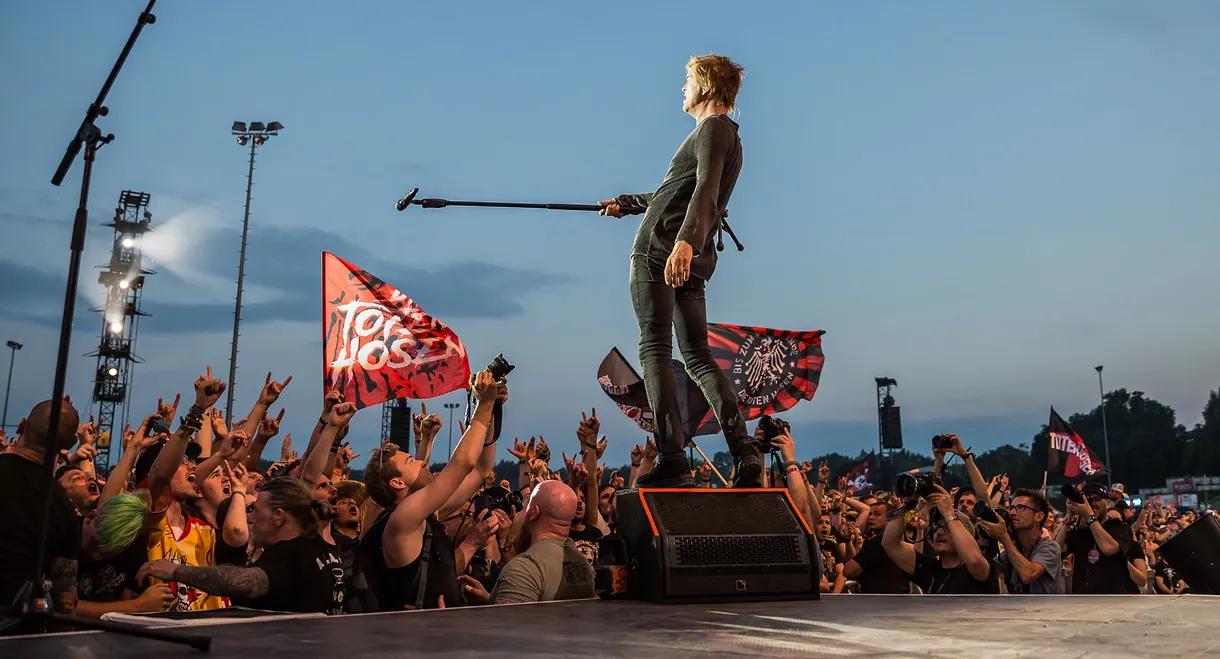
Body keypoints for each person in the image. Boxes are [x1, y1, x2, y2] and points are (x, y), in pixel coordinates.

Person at [598, 54, 757, 488]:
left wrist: (682, 243)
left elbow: (705, 188)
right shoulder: (727, 135)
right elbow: (679, 192)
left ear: (705, 85)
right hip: (690, 256)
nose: (682, 88)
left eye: (687, 79)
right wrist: (627, 202)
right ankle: (745, 452)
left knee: (654, 350)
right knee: (699, 357)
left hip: (662, 253)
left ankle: (672, 460)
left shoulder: (711, 128)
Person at [353, 371, 502, 611]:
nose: (422, 463)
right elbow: (463, 464)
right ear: (397, 483)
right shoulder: (402, 518)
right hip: (414, 640)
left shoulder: (423, 515)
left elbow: (481, 471)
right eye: (412, 461)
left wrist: (493, 411)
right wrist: (484, 403)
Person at [138, 477, 345, 615]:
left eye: (255, 510)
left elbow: (244, 582)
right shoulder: (318, 545)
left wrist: (176, 571)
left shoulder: (289, 555)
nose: (250, 517)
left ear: (279, 517)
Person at [0, 400, 83, 624]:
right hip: (15, 627)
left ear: (21, 426)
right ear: (73, 442)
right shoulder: (63, 505)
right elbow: (66, 601)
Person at [460, 480, 595, 605]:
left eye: (525, 505)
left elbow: (506, 627)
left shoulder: (524, 569)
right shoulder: (583, 563)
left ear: (534, 512)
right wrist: (490, 599)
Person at [882, 484, 998, 594]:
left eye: (947, 528)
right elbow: (890, 543)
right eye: (937, 527)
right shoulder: (928, 568)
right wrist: (908, 506)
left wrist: (949, 515)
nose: (940, 532)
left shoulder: (985, 566)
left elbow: (974, 561)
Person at [1055, 482, 1137, 594]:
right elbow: (1054, 550)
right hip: (1083, 600)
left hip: (1114, 601)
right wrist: (1068, 515)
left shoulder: (1120, 528)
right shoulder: (1081, 532)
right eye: (1088, 500)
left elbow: (1109, 548)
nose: (1091, 504)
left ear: (1108, 503)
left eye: (1096, 499)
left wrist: (1089, 516)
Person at [979, 489, 1061, 594]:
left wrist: (1004, 537)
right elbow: (985, 573)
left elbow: (1028, 575)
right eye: (1011, 508)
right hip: (1018, 610)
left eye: (1020, 507)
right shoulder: (1015, 549)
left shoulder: (1050, 548)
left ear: (1039, 516)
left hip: (1043, 609)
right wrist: (983, 540)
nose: (1012, 513)